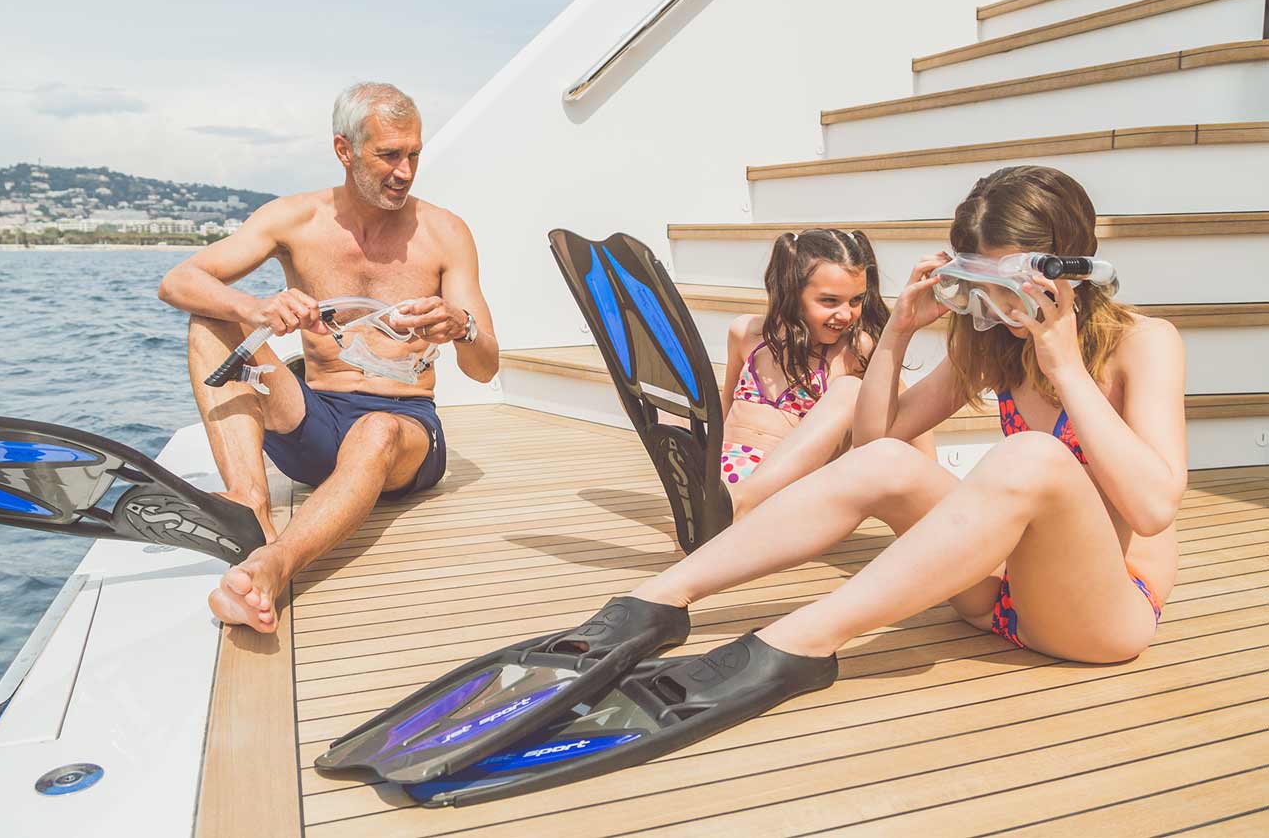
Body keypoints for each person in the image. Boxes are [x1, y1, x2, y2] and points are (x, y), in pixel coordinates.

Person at [629, 165, 1186, 677]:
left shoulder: (1143, 343)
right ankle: (659, 596)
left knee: (1034, 455)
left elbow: (1153, 507)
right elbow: (874, 448)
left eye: (1007, 289)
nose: (993, 307)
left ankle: (799, 638)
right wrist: (898, 331)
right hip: (994, 596)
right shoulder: (996, 343)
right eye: (980, 287)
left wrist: (1066, 370)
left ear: (1069, 271)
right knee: (895, 460)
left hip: (1099, 617)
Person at [158, 82, 499, 633]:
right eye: (389, 155)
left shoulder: (445, 232)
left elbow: (486, 367)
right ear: (345, 150)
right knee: (212, 321)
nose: (405, 171)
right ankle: (250, 506)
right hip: (316, 419)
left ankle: (273, 566)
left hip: (405, 429)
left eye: (414, 154)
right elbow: (179, 282)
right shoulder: (294, 220)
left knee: (376, 431)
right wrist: (258, 306)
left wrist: (462, 327)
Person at [719, 229, 933, 517]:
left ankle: (738, 508)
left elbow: (903, 399)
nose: (845, 315)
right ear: (790, 292)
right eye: (830, 301)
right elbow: (725, 406)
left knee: (851, 390)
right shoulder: (746, 333)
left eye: (855, 301)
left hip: (786, 491)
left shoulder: (853, 351)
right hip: (722, 476)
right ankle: (726, 506)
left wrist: (930, 474)